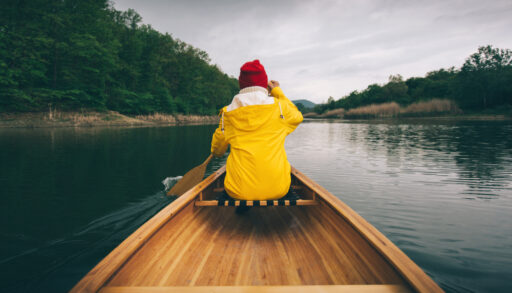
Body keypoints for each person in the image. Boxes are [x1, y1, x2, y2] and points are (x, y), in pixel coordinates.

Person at [211, 60, 303, 201]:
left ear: (241, 84)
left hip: (238, 191)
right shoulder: (281, 108)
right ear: (264, 84)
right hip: (279, 189)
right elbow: (298, 116)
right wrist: (277, 91)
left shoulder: (227, 113)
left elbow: (218, 152)